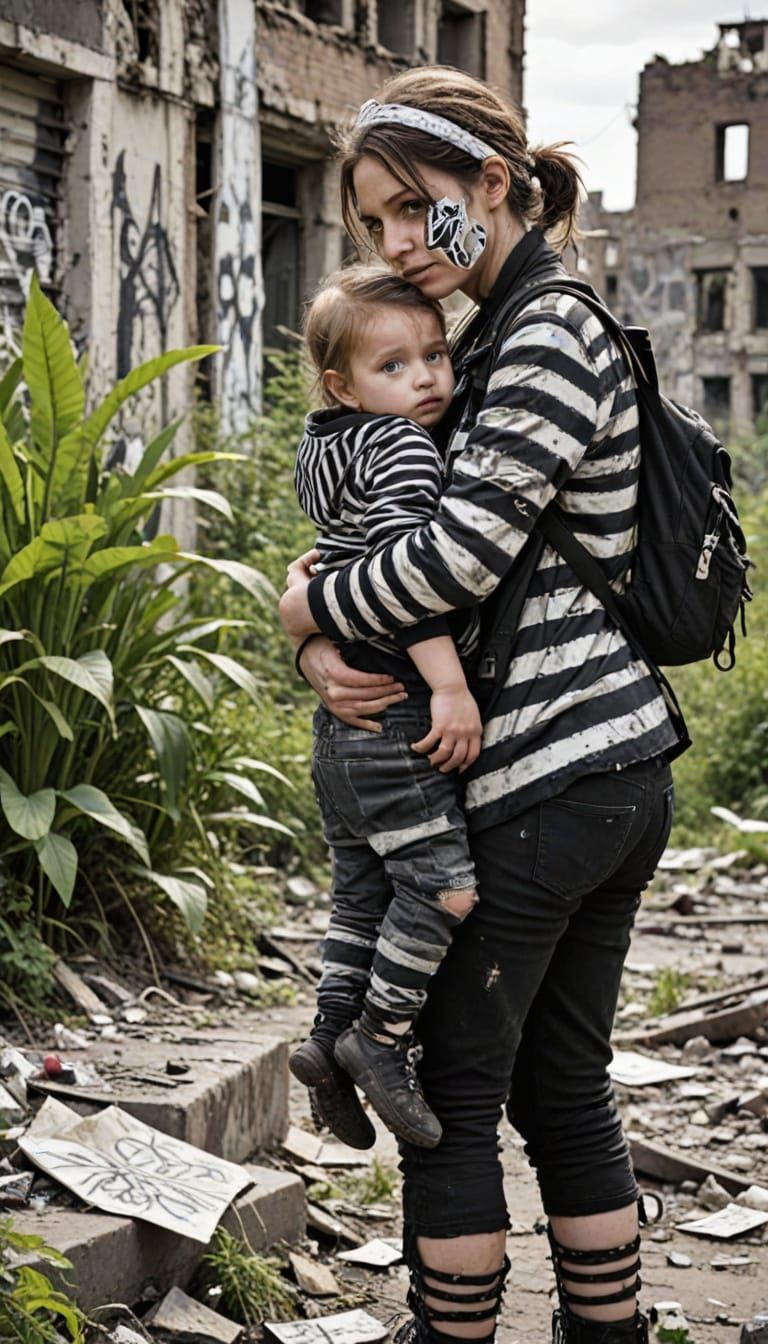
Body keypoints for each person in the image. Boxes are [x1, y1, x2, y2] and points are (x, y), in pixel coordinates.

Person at [280, 67, 680, 1344]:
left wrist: (302, 615)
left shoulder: (545, 333)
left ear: (493, 185)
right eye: (375, 224)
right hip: (598, 768)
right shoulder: (486, 330)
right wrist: (323, 625)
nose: (399, 245)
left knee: (450, 1082)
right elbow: (405, 538)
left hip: (553, 771)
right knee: (562, 1082)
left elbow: (452, 562)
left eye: (417, 209)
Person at [289, 264, 482, 1152]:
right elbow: (405, 574)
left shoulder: (322, 443)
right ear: (343, 385)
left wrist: (306, 630)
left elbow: (327, 559)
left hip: (336, 731)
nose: (428, 379)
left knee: (361, 892)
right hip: (397, 708)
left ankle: (326, 1042)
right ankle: (381, 1038)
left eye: (436, 354)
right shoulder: (402, 445)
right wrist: (446, 682)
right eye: (395, 365)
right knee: (442, 888)